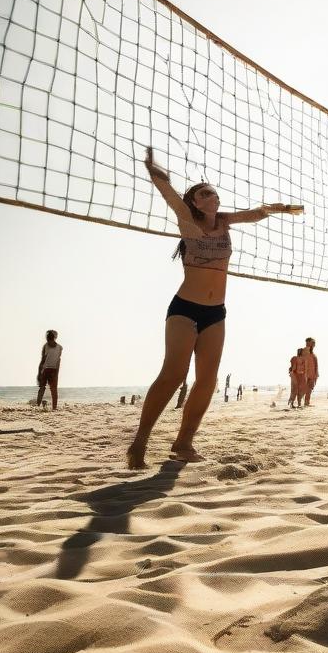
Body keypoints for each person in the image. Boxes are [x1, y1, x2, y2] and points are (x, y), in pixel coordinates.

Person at [126, 147, 302, 469]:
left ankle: (183, 442)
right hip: (185, 308)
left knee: (208, 380)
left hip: (216, 313)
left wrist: (279, 209)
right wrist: (154, 171)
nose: (214, 196)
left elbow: (255, 213)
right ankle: (140, 442)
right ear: (195, 201)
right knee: (173, 373)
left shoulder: (224, 222)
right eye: (206, 193)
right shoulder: (187, 222)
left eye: (214, 193)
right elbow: (168, 193)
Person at [36, 330, 63, 410]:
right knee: (42, 387)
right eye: (47, 338)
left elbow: (58, 360)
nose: (48, 340)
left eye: (49, 338)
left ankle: (54, 408)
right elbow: (43, 360)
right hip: (46, 369)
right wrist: (39, 373)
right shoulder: (46, 346)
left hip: (53, 370)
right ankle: (38, 405)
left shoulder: (59, 348)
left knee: (54, 390)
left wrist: (57, 373)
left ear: (53, 338)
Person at [303, 338, 319, 406]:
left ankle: (307, 402)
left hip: (312, 373)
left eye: (314, 343)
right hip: (305, 373)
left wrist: (316, 373)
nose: (314, 344)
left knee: (310, 388)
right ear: (307, 342)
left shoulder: (313, 354)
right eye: (312, 342)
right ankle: (302, 402)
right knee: (304, 388)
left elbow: (316, 364)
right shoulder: (304, 351)